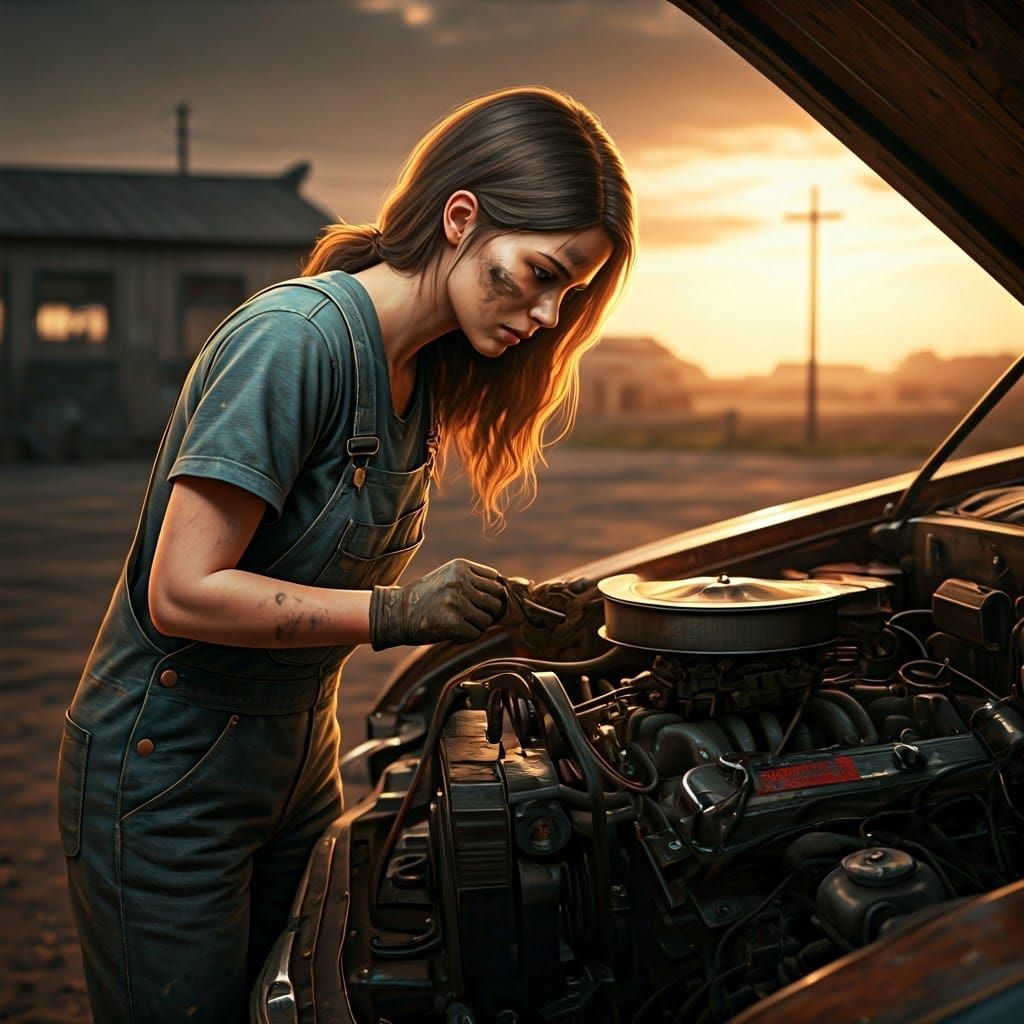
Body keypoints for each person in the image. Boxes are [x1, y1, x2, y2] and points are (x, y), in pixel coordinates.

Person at [55, 85, 636, 1023]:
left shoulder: (424, 374)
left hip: (299, 757)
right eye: (539, 272)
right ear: (461, 218)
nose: (548, 313)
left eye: (569, 291)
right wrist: (398, 611)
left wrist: (528, 611)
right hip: (166, 777)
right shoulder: (298, 343)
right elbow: (181, 591)